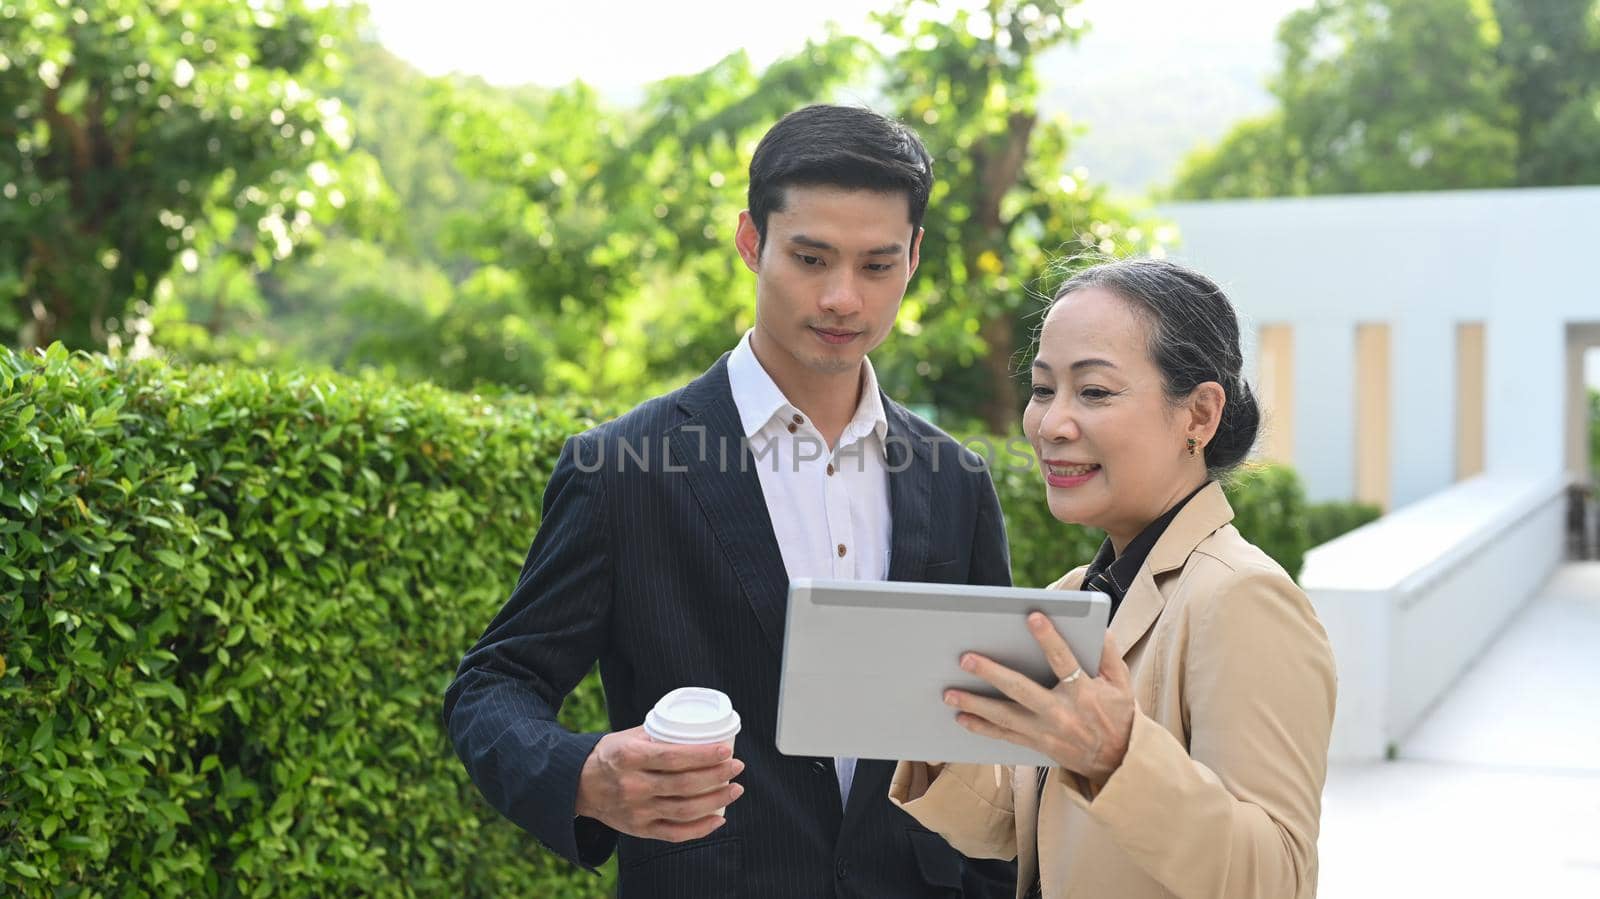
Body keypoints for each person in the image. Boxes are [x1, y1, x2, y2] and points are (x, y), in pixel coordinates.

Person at [444, 104, 1017, 898]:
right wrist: (583, 772)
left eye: (876, 266)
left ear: (914, 255)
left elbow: (987, 740)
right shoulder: (622, 467)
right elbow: (493, 683)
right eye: (811, 259)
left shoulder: (956, 480)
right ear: (751, 241)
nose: (843, 299)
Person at [889, 258, 1337, 899]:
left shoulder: (1242, 598)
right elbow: (1029, 829)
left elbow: (1277, 878)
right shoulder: (1076, 594)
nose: (1051, 423)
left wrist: (1118, 756)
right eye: (1043, 389)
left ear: (1200, 416)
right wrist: (920, 723)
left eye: (1093, 391)